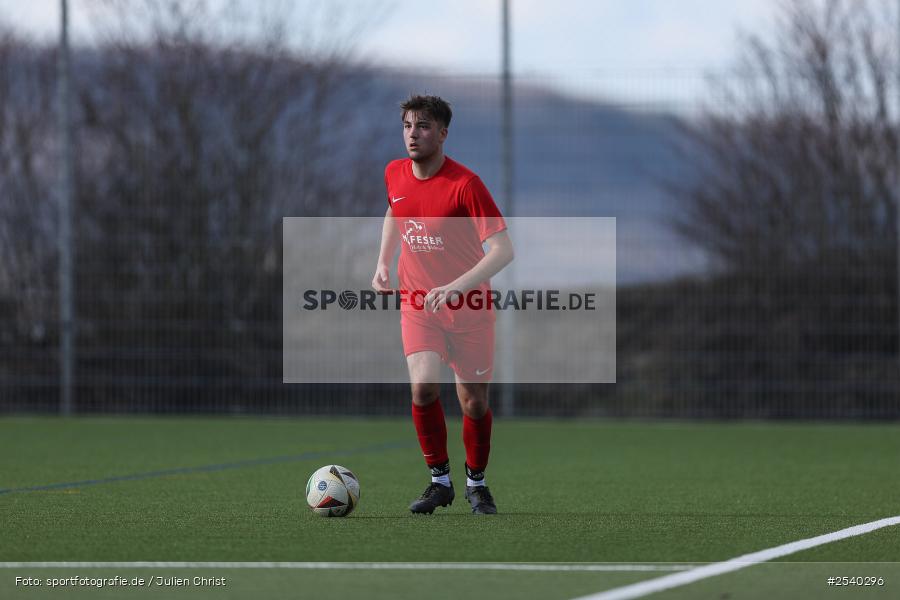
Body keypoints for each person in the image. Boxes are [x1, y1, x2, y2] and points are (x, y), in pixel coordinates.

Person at [372, 95, 514, 515]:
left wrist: (456, 286)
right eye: (407, 126)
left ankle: (476, 483)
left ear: (443, 134)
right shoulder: (394, 173)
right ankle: (439, 481)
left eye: (424, 126)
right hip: (418, 303)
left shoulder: (465, 186)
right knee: (423, 388)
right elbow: (395, 211)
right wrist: (382, 261)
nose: (413, 134)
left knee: (474, 403)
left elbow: (503, 251)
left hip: (469, 306)